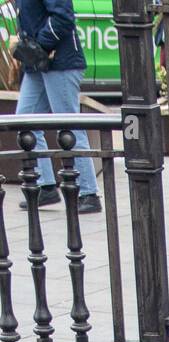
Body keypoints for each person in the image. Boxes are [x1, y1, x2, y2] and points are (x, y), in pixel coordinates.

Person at [13, 0, 101, 214]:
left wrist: (40, 46)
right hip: (39, 63)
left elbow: (63, 17)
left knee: (69, 125)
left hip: (60, 62)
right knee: (25, 121)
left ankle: (89, 193)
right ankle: (46, 186)